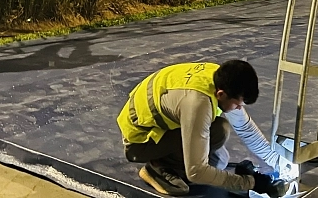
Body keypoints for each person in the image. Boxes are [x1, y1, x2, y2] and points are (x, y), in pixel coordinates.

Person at [116, 60, 291, 197]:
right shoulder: (198, 103)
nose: (239, 109)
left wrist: (276, 160)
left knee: (219, 159)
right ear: (221, 94)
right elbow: (196, 172)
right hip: (140, 143)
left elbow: (245, 128)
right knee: (218, 133)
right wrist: (251, 183)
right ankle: (158, 168)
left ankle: (170, 162)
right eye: (238, 105)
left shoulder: (221, 78)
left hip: (161, 128)